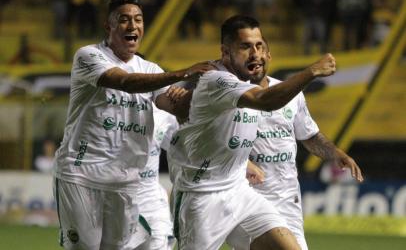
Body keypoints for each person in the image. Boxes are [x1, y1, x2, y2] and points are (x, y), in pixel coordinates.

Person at [53, 0, 211, 250]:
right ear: (109, 27)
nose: (132, 26)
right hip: (82, 174)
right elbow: (125, 82)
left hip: (125, 182)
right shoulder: (89, 56)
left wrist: (201, 96)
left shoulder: (152, 69)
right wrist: (184, 72)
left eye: (138, 20)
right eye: (124, 20)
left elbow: (170, 106)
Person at [167, 15, 336, 250]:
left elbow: (221, 130)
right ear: (226, 52)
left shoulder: (246, 81)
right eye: (245, 46)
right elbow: (266, 101)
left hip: (239, 192)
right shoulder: (217, 80)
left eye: (258, 45)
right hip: (202, 197)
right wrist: (311, 72)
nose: (255, 53)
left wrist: (243, 162)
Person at [227, 39, 364, 250]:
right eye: (248, 50)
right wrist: (243, 164)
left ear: (269, 57)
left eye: (262, 49)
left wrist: (335, 153)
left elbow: (308, 135)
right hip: (248, 197)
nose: (256, 55)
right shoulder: (229, 96)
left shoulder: (291, 94)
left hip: (287, 200)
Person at [126, 104, 178, 250]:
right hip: (119, 200)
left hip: (152, 201)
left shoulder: (164, 115)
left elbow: (183, 148)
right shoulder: (109, 111)